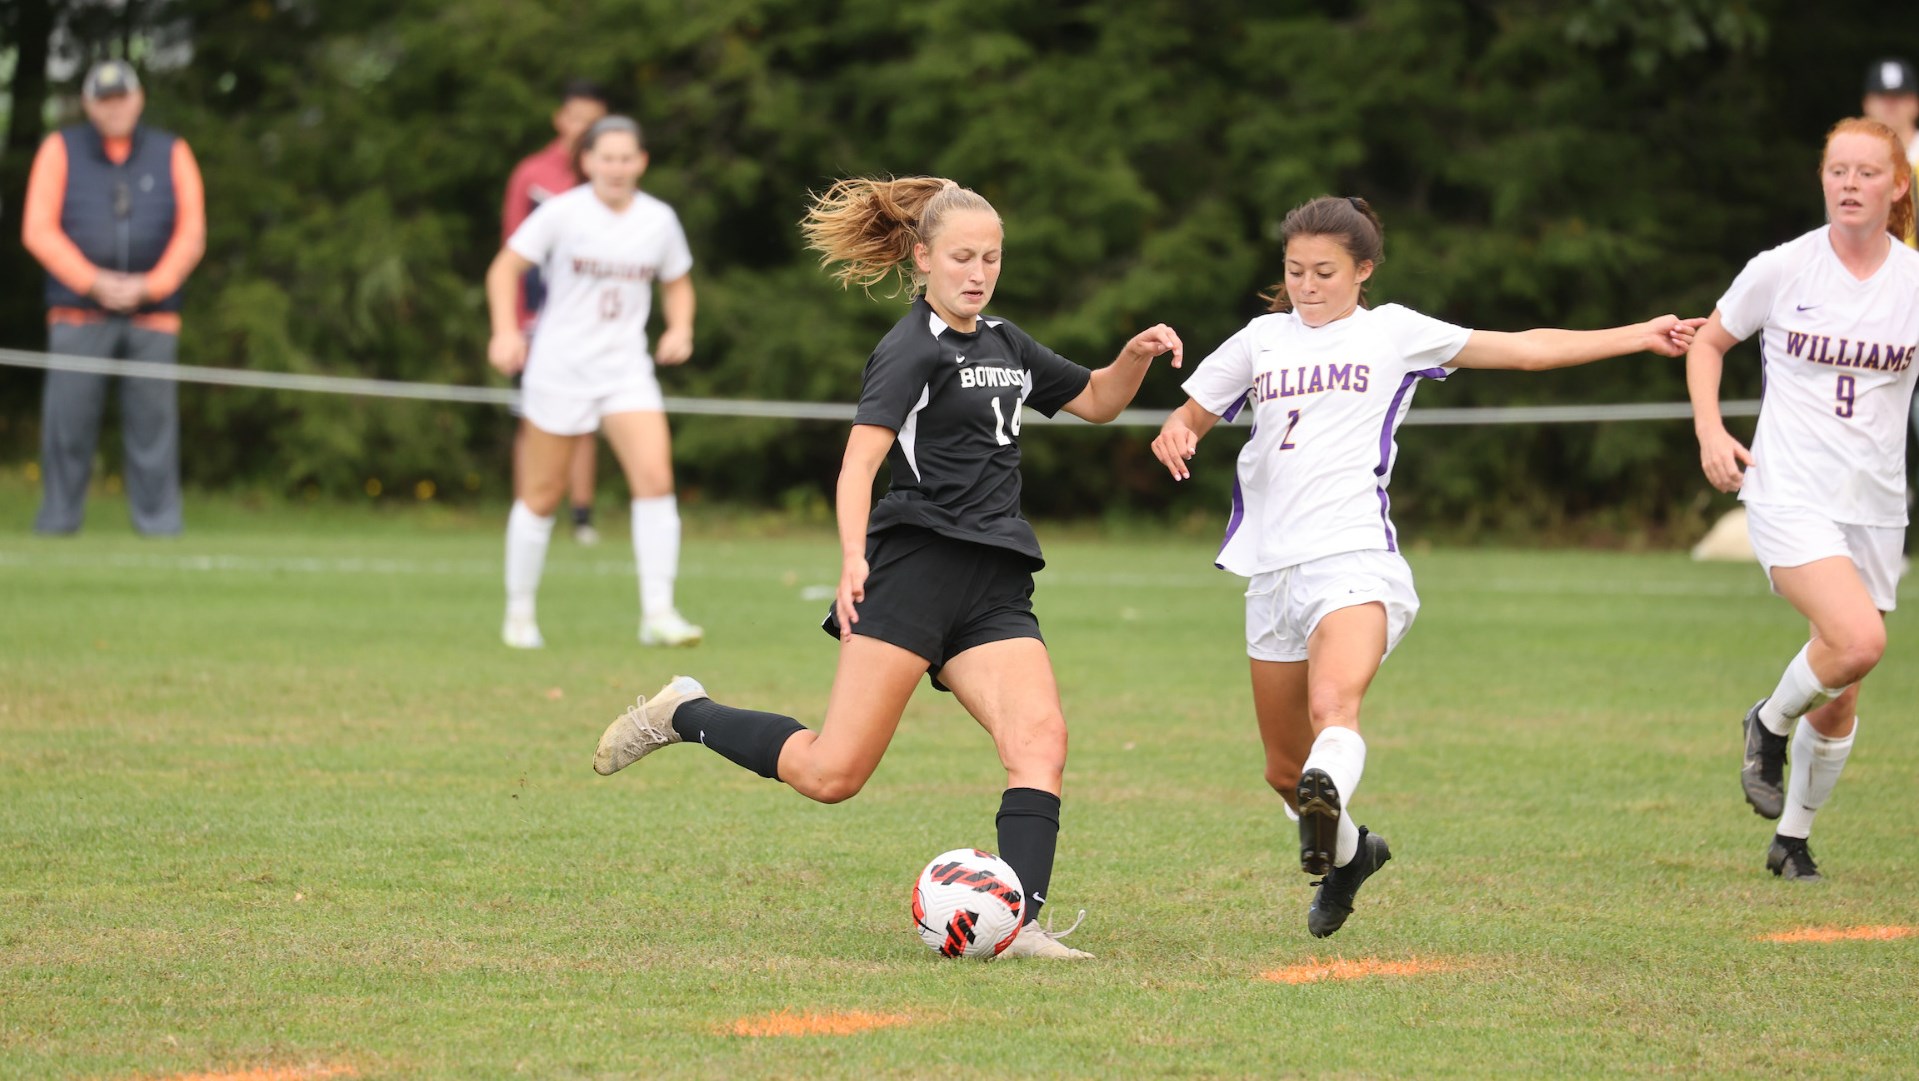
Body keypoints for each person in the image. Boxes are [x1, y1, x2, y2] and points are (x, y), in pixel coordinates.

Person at [589, 176, 1184, 960]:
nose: (978, 272)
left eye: (991, 258)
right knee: (831, 773)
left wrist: (1133, 357)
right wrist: (850, 556)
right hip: (913, 571)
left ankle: (1020, 923)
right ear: (923, 257)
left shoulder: (1007, 343)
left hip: (994, 580)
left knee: (1040, 740)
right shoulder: (910, 348)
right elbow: (857, 465)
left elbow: (1100, 400)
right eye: (962, 257)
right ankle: (683, 712)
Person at [1150, 195, 1701, 938]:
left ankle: (1327, 789)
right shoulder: (1261, 338)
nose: (1307, 285)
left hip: (1353, 556)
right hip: (1271, 572)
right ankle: (1352, 855)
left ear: (1363, 270)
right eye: (1295, 270)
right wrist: (1178, 433)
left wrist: (1640, 334)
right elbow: (1191, 412)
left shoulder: (1393, 332)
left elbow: (1525, 349)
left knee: (1332, 710)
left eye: (1324, 272)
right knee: (1283, 770)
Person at [1687, 118, 1918, 882]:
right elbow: (1708, 341)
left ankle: (1790, 839)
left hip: (1874, 504)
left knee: (1841, 689)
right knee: (1856, 639)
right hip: (1787, 489)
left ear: (1898, 185)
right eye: (1836, 170)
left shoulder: (1911, 283)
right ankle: (1766, 720)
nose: (1848, 184)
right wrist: (1710, 430)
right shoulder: (1783, 267)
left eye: (1866, 172)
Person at [484, 115, 702, 649]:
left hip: (626, 371)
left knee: (656, 479)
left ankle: (658, 613)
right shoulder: (562, 213)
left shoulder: (658, 220)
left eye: (627, 158)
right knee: (541, 494)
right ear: (587, 161)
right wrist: (505, 331)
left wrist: (680, 327)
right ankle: (519, 614)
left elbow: (678, 283)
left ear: (641, 162)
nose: (617, 168)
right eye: (607, 158)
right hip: (560, 369)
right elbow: (503, 269)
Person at [22, 59, 205, 535]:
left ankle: (160, 527)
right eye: (104, 101)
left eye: (121, 98)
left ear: (138, 99)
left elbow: (192, 233)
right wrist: (92, 281)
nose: (114, 108)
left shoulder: (173, 151)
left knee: (154, 431)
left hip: (153, 317)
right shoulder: (59, 149)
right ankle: (57, 524)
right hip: (76, 314)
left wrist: (152, 285)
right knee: (67, 427)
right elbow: (37, 229)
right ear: (88, 105)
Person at [504, 80, 610, 545]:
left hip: (593, 325)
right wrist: (512, 326)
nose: (584, 128)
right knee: (534, 420)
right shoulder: (532, 175)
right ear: (560, 119)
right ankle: (528, 515)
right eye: (578, 118)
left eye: (594, 121)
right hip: (538, 322)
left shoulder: (608, 178)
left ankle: (582, 518)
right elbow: (511, 256)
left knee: (585, 423)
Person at [1860, 58, 1918, 249]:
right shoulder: (1851, 164)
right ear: (1866, 103)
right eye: (1881, 96)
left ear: (1915, 103)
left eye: (1899, 96)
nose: (1890, 105)